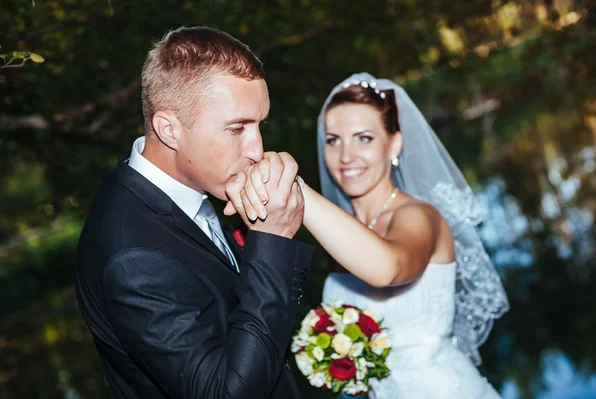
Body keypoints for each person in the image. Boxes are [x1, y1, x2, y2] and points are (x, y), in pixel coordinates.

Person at [226, 73, 509, 398]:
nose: (346, 156)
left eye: (364, 138)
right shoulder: (342, 234)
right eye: (333, 140)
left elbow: (388, 268)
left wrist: (294, 190)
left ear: (395, 143)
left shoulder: (419, 216)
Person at [75, 27, 313, 399]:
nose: (257, 149)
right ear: (169, 129)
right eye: (237, 128)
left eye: (259, 125)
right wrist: (273, 241)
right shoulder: (134, 258)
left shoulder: (188, 183)